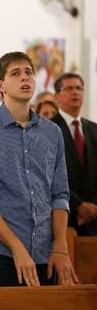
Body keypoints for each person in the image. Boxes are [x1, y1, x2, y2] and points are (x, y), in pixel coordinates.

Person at [0, 51, 77, 287]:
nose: (25, 78)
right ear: (0, 85)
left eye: (28, 72)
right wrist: (17, 247)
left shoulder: (52, 132)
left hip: (46, 252)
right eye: (15, 73)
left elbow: (60, 195)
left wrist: (61, 247)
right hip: (2, 253)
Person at [51, 73, 97, 235]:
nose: (75, 92)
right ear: (56, 96)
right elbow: (49, 175)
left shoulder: (93, 129)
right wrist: (79, 205)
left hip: (94, 218)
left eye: (79, 88)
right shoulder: (48, 129)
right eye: (69, 88)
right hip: (63, 217)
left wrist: (92, 206)